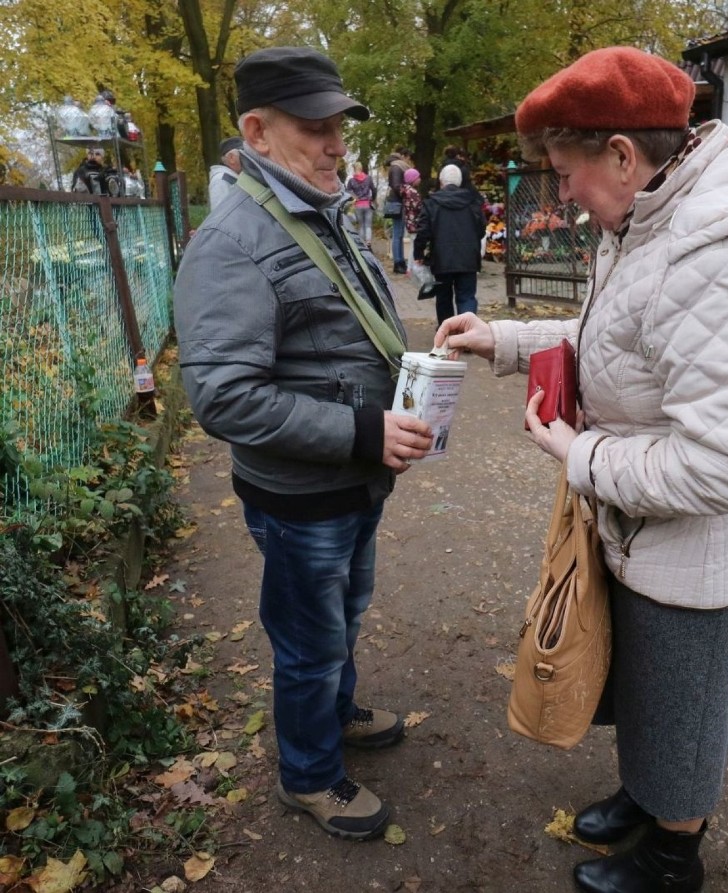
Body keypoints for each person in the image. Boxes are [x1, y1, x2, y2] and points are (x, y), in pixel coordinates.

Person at [435, 46, 728, 893]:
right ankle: (644, 797)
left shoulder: (725, 257)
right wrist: (503, 341)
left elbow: (726, 462)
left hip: (694, 548)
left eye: (566, 170)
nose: (563, 193)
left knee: (680, 707)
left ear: (621, 152)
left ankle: (671, 854)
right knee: (645, 684)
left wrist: (583, 455)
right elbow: (619, 336)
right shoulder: (654, 210)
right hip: (644, 524)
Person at [174, 45, 433, 842]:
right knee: (309, 640)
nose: (337, 146)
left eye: (339, 128)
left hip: (349, 481)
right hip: (302, 495)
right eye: (316, 128)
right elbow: (221, 395)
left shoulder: (311, 208)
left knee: (343, 616)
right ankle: (310, 776)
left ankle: (338, 712)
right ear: (256, 129)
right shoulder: (234, 240)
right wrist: (362, 427)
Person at [413, 164, 486, 325]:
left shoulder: (432, 203)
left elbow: (423, 231)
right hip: (468, 258)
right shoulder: (473, 201)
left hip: (441, 258)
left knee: (444, 297)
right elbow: (481, 229)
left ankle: (448, 333)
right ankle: (468, 333)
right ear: (460, 182)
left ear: (441, 181)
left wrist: (418, 254)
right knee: (467, 296)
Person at [385, 146, 412, 273]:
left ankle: (400, 261)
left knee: (399, 234)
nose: (408, 161)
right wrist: (407, 193)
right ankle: (398, 262)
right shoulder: (397, 167)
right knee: (397, 234)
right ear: (403, 155)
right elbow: (396, 185)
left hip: (397, 201)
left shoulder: (395, 166)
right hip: (397, 202)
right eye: (408, 157)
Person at [345, 161, 377, 248]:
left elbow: (347, 192)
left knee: (361, 225)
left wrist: (354, 197)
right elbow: (373, 189)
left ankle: (362, 243)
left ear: (354, 169)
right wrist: (372, 198)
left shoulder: (351, 181)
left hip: (358, 204)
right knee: (368, 225)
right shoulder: (368, 178)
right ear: (361, 168)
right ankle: (368, 241)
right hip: (367, 203)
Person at [207, 136, 243, 209]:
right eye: (244, 154)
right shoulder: (221, 180)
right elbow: (221, 215)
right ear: (231, 158)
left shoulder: (229, 179)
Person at [400, 167, 423, 269]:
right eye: (418, 177)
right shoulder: (413, 192)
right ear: (413, 179)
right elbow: (418, 207)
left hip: (410, 222)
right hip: (415, 222)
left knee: (413, 244)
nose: (420, 179)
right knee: (414, 245)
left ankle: (409, 266)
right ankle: (411, 267)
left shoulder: (406, 190)